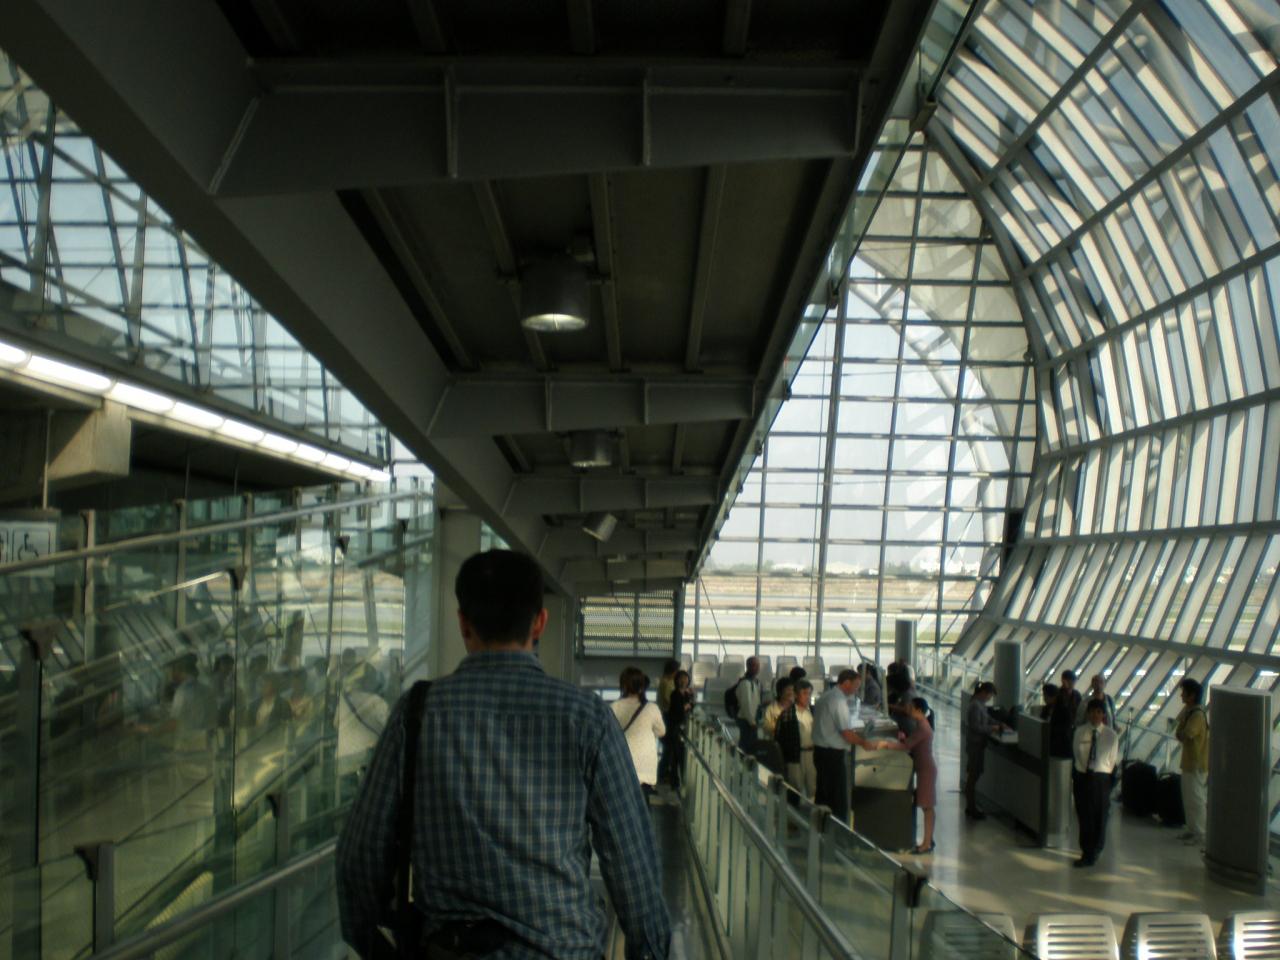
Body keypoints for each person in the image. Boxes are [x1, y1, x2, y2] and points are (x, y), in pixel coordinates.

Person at [337, 549, 670, 960]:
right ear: (540, 622)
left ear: (463, 623)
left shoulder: (417, 714)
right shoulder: (587, 719)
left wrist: (373, 946)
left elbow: (359, 858)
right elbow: (634, 869)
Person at [811, 669, 878, 824]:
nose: (856, 690)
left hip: (820, 751)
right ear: (846, 683)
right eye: (856, 686)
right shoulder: (838, 701)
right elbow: (846, 733)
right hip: (832, 755)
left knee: (823, 793)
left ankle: (820, 825)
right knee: (837, 797)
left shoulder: (826, 696)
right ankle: (836, 829)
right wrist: (863, 742)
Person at [875, 697, 938, 854]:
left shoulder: (923, 727)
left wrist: (886, 745)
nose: (908, 710)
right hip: (923, 768)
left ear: (918, 710)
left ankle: (926, 843)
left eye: (911, 707)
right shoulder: (921, 725)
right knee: (926, 805)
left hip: (926, 770)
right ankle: (928, 839)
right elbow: (911, 742)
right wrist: (904, 738)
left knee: (927, 807)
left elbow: (906, 746)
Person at [1071, 698, 1119, 867]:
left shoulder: (1111, 735)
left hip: (1101, 778)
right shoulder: (1080, 732)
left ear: (1103, 715)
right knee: (1084, 815)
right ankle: (1087, 851)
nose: (1095, 715)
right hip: (1082, 776)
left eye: (1098, 712)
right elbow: (1076, 752)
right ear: (1087, 713)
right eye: (1092, 712)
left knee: (1100, 815)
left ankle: (1096, 848)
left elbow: (1112, 760)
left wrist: (1101, 772)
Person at [335, 667, 390, 801]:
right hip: (365, 759)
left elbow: (335, 723)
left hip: (343, 759)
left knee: (345, 802)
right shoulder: (376, 701)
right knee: (367, 799)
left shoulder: (344, 699)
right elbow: (390, 728)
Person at [612, 667, 666, 796]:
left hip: (622, 761)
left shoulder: (614, 707)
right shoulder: (651, 708)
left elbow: (610, 734)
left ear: (623, 685)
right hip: (645, 764)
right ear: (642, 686)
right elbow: (661, 732)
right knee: (642, 801)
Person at [1174, 678, 1209, 846]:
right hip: (1189, 762)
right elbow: (1179, 732)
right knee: (1188, 797)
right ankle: (1192, 828)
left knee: (1196, 798)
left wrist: (1181, 732)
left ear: (1192, 695)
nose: (1181, 696)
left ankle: (1200, 832)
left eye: (1184, 693)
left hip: (1196, 764)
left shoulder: (1197, 715)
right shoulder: (1189, 712)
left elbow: (1186, 734)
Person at [964, 681, 1004, 819]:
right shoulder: (975, 705)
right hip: (975, 745)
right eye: (990, 696)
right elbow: (976, 726)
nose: (989, 699)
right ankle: (971, 807)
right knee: (973, 776)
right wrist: (993, 728)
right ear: (984, 693)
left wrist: (999, 724)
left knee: (974, 775)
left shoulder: (979, 704)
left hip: (978, 745)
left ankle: (971, 806)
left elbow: (987, 718)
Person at [781, 679, 818, 798]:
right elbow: (781, 737)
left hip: (812, 754)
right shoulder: (788, 714)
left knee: (814, 787)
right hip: (795, 755)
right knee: (795, 788)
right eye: (804, 693)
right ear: (796, 695)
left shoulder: (814, 712)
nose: (808, 697)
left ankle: (813, 808)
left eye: (809, 693)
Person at [659, 670, 694, 789]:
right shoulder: (675, 694)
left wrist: (689, 701)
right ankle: (673, 780)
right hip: (674, 728)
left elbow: (691, 706)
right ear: (677, 680)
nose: (684, 681)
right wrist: (687, 706)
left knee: (677, 754)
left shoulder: (686, 694)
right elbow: (678, 710)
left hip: (681, 727)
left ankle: (677, 780)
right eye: (681, 679)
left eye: (686, 678)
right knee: (673, 755)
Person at [731, 657, 762, 751]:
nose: (757, 668)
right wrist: (752, 721)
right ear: (748, 666)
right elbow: (746, 704)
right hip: (747, 719)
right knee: (747, 744)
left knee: (750, 743)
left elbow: (754, 701)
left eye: (758, 665)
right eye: (754, 665)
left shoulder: (755, 682)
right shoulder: (745, 684)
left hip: (751, 718)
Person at [1042, 683, 1074, 759]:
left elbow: (1064, 730)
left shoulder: (1064, 710)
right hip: (1049, 745)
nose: (1044, 698)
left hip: (1060, 748)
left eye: (1046, 695)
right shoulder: (1046, 709)